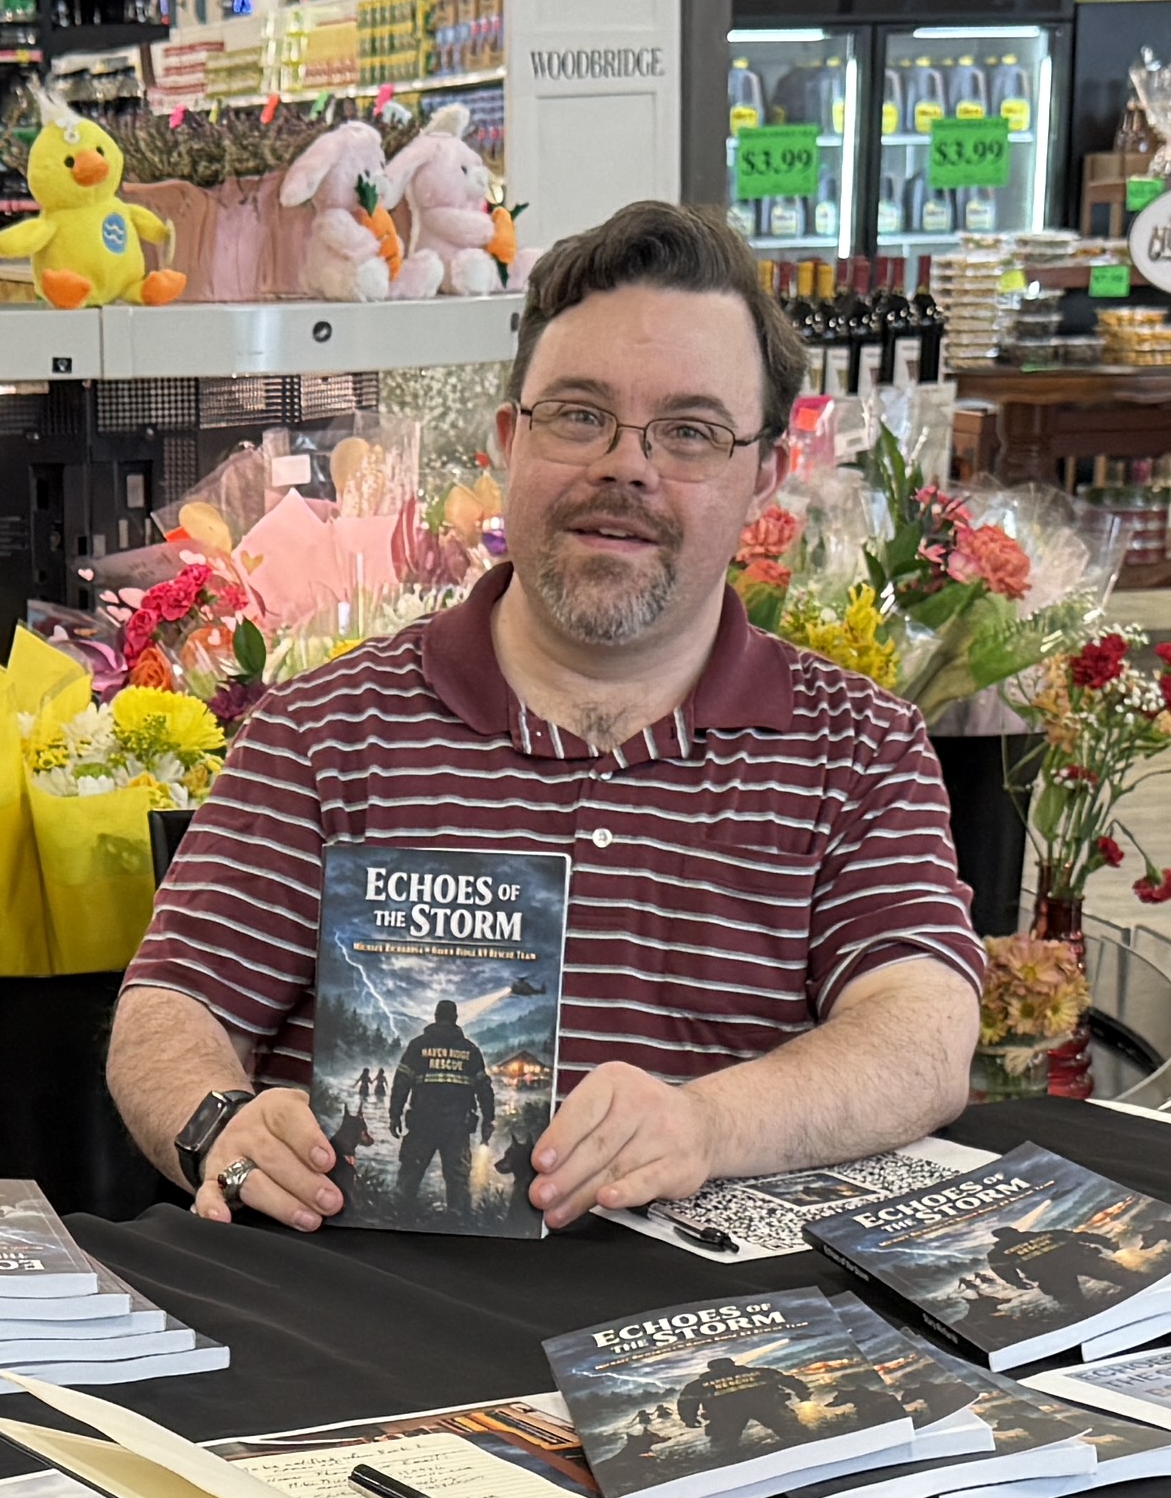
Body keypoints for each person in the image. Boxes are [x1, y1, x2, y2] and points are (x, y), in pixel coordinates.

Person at [112, 197, 982, 1233]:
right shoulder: (322, 731)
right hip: (372, 1317)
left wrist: (705, 1125)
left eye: (691, 432)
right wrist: (222, 1123)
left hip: (711, 1349)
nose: (626, 464)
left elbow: (922, 1034)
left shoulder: (857, 747)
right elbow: (172, 1008)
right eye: (579, 415)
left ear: (764, 478)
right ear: (507, 441)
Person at [387, 992, 497, 1217]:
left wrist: (394, 1115)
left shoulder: (417, 1046)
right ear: (455, 1018)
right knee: (458, 1182)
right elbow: (485, 1089)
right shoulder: (470, 1051)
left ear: (436, 1017)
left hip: (421, 1125)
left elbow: (401, 1084)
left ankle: (399, 1224)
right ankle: (458, 1229)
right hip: (457, 1129)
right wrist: (488, 1120)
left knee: (409, 1178)